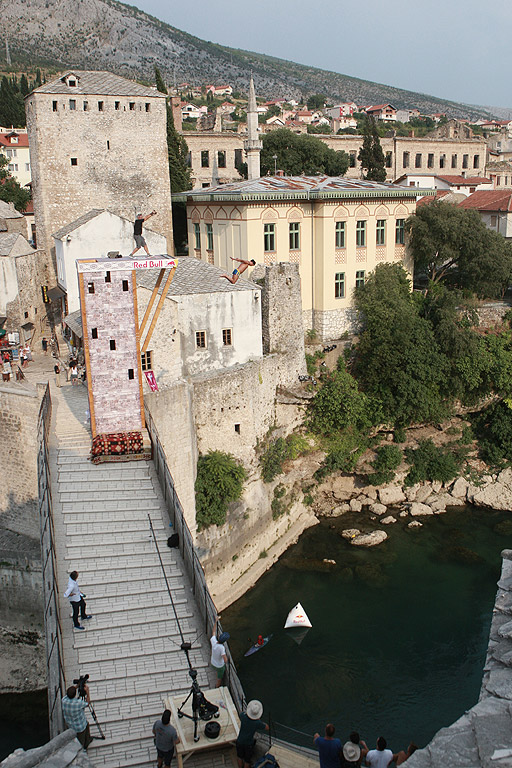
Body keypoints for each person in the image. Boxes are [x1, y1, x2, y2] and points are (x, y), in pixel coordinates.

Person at [235, 699, 268, 768]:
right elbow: (267, 727)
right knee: (247, 760)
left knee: (239, 757)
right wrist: (258, 720)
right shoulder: (257, 723)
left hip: (239, 741)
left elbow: (241, 714)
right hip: (248, 744)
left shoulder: (243, 716)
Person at [62, 683, 93, 749]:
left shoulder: (64, 700)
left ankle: (88, 740)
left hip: (70, 724)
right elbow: (87, 703)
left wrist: (77, 685)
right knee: (81, 742)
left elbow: (70, 693)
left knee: (87, 725)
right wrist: (87, 692)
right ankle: (83, 749)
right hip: (80, 726)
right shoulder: (78, 703)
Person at [210, 615, 229, 687]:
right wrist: (227, 660)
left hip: (212, 662)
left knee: (217, 670)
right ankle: (217, 687)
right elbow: (225, 659)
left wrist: (216, 621)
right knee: (219, 678)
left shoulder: (214, 641)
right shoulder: (222, 648)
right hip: (219, 666)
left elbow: (213, 632)